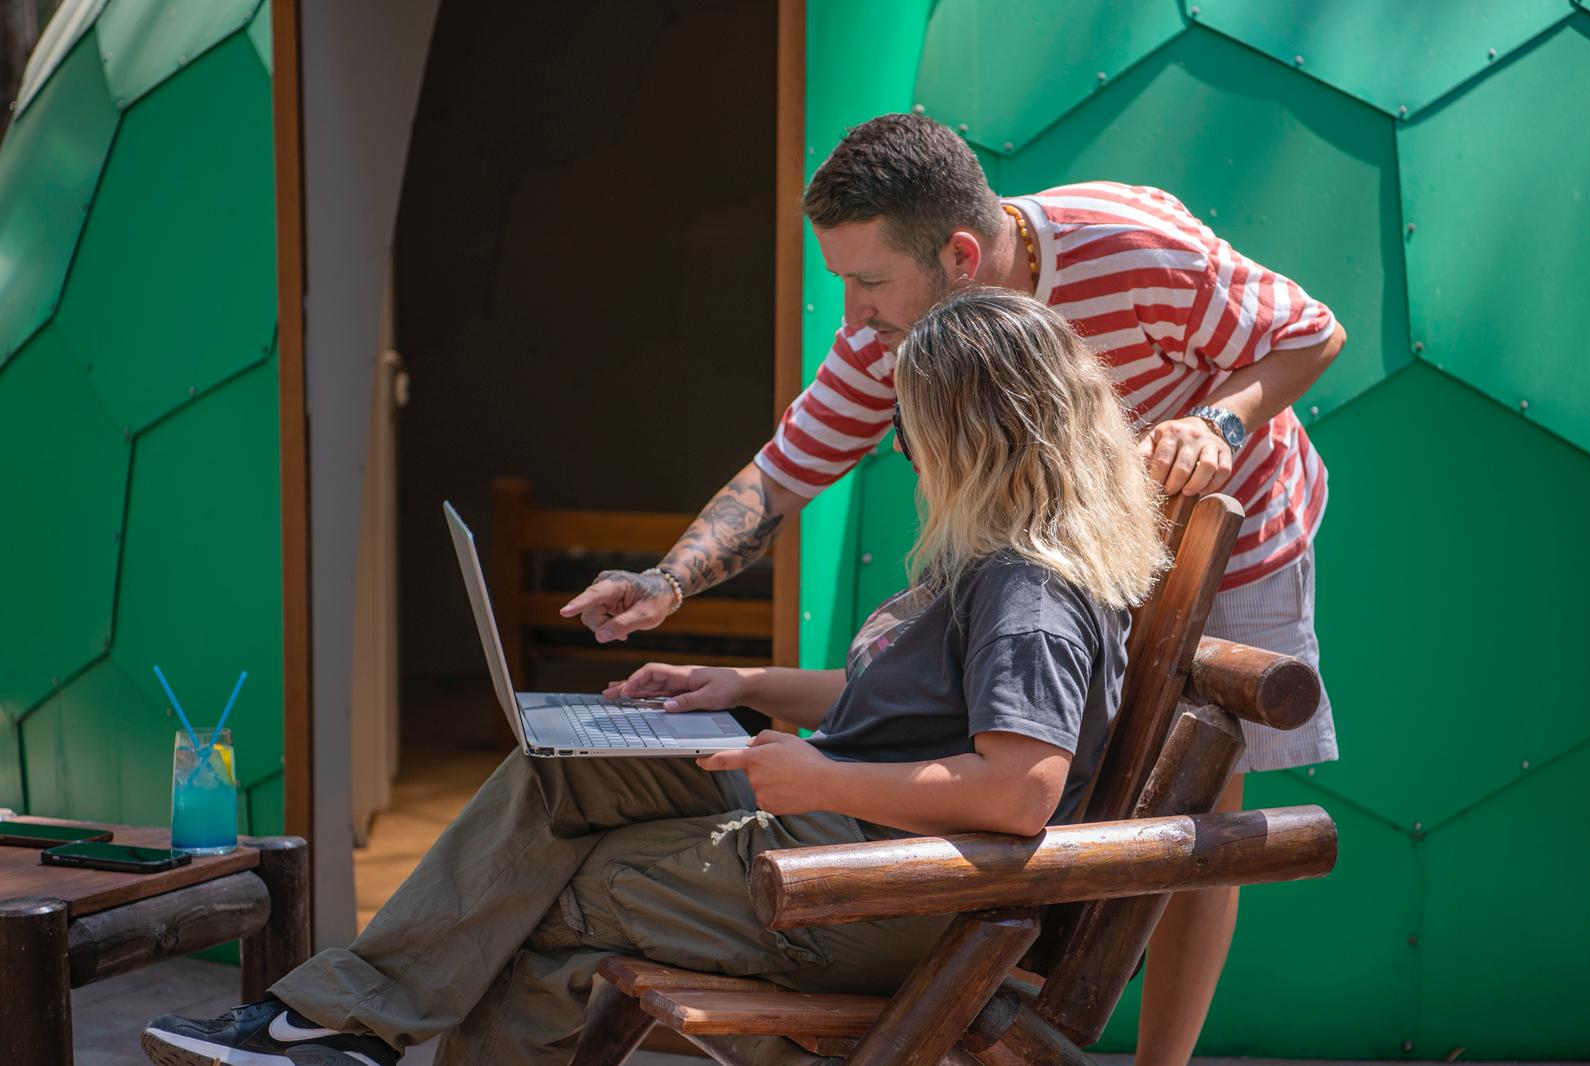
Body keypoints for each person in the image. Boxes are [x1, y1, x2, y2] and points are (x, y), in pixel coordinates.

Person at [140, 288, 1168, 1066]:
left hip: (874, 885)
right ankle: (331, 1025)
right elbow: (919, 706)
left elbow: (1018, 789)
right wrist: (740, 685)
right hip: (842, 826)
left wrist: (819, 777)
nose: (899, 449)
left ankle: (337, 1032)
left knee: (569, 894)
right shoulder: (995, 557)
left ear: (972, 434)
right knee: (561, 770)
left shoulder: (1028, 587)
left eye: (909, 426)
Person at [560, 113, 1346, 1065]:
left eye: (866, 281)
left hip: (1235, 524)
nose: (852, 313)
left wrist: (1219, 421)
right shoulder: (893, 332)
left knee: (1197, 810)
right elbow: (784, 472)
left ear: (961, 256)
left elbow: (1312, 332)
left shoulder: (1133, 247)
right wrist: (665, 581)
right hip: (1060, 547)